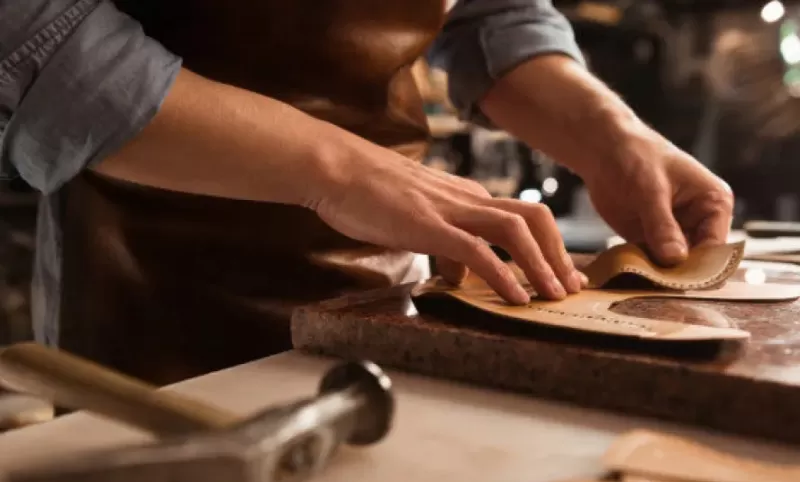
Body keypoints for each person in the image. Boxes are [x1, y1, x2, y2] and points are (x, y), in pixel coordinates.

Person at [1, 0, 733, 385]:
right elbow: (34, 33)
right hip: (156, 301)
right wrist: (341, 171)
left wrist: (614, 138)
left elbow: (493, 13)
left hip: (391, 302)